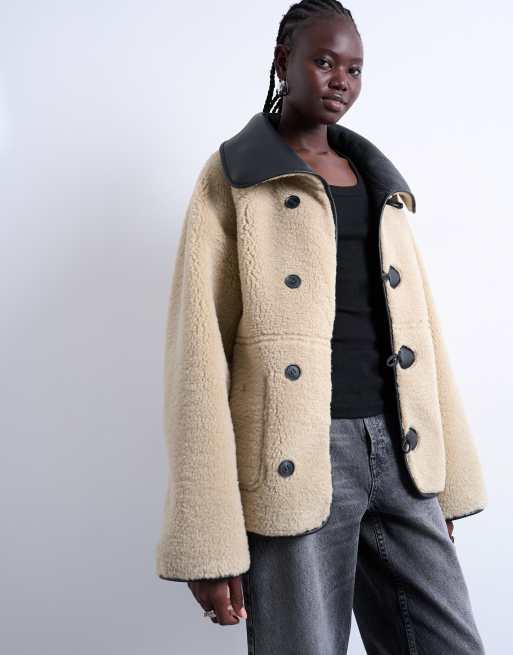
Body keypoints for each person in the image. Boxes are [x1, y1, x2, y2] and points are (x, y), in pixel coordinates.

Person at [156, 1, 488, 652]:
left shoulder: (378, 182)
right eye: (325, 61)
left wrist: (443, 485)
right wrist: (208, 539)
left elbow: (420, 334)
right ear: (283, 61)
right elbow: (197, 356)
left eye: (354, 69)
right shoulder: (234, 178)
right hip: (296, 457)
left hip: (400, 449)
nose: (341, 80)